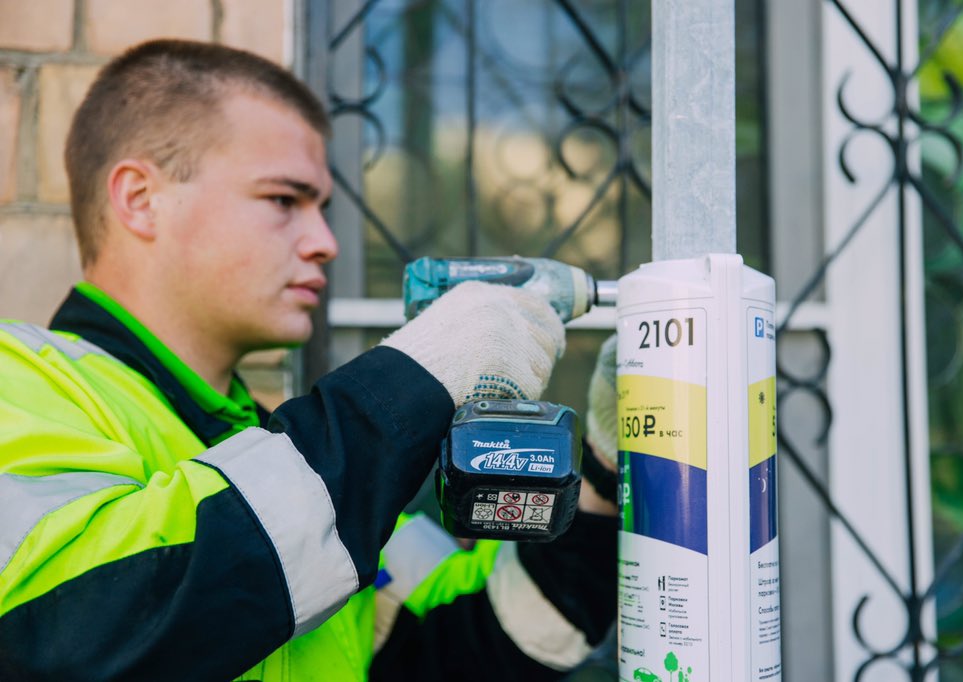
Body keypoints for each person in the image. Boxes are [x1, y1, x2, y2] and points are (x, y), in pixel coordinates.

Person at [0, 39, 618, 681]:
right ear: (139, 198)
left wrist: (601, 470)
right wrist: (411, 383)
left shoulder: (294, 458)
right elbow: (75, 636)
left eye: (322, 209)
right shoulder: (20, 380)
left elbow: (472, 647)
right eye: (282, 200)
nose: (324, 244)